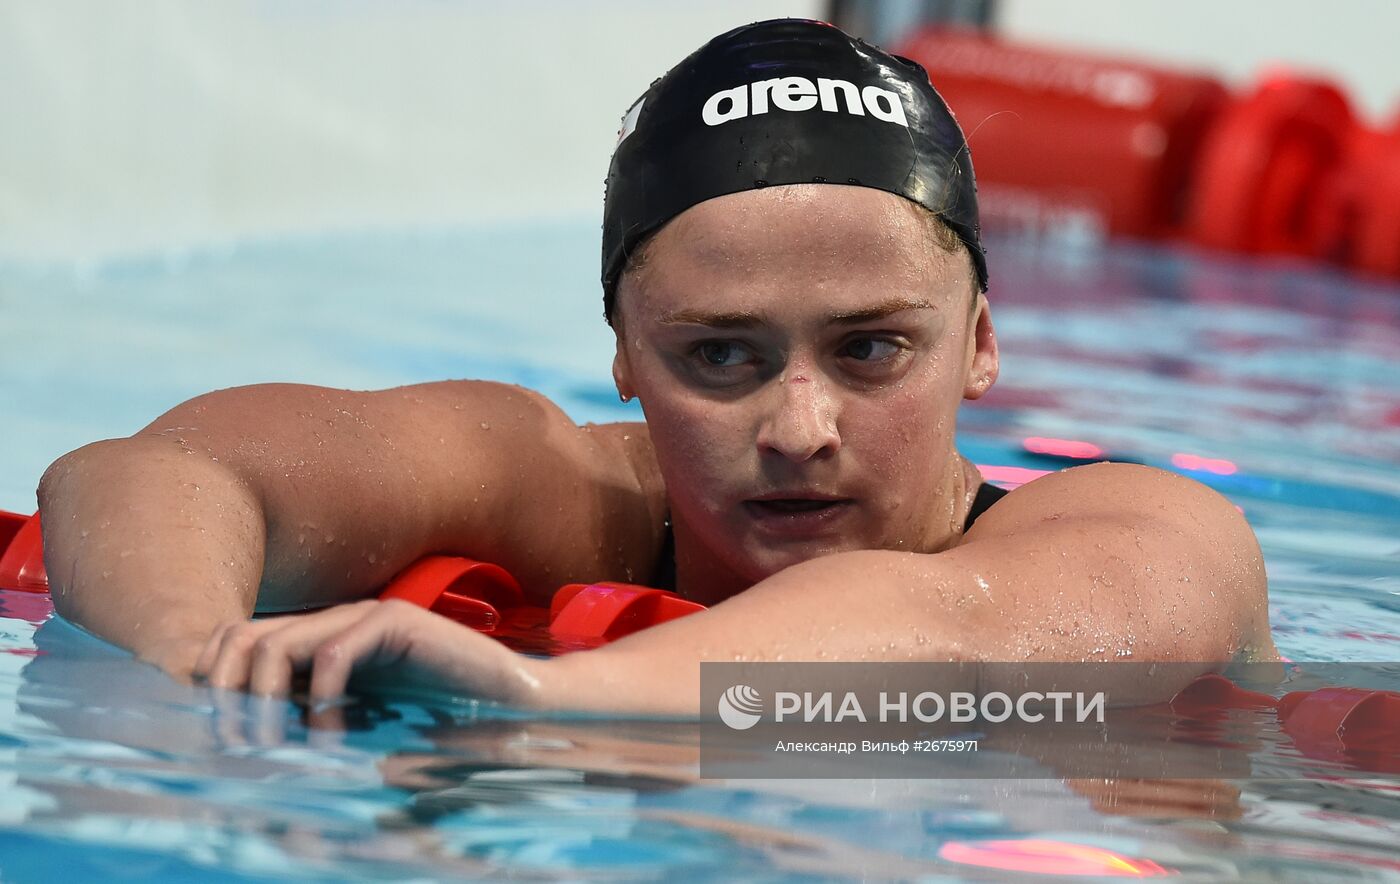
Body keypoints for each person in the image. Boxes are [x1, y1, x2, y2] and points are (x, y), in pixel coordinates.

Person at [36, 19, 1276, 715]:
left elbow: (946, 632)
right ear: (624, 354)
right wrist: (200, 667)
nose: (799, 426)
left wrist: (534, 695)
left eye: (870, 349)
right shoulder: (561, 482)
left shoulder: (1156, 531)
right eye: (719, 355)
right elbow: (156, 470)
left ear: (983, 344)